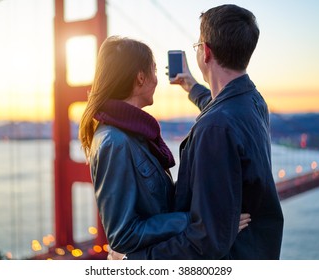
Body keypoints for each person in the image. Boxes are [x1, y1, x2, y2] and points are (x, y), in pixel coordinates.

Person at [111, 4, 284, 260]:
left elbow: (205, 241)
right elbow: (223, 109)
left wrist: (132, 262)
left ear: (205, 52)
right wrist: (191, 86)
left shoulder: (214, 129)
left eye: (198, 45)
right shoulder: (253, 101)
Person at [79, 36, 250, 256]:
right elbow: (123, 235)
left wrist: (210, 200)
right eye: (155, 70)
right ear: (141, 78)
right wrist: (201, 221)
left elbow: (160, 201)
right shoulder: (115, 142)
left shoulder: (135, 132)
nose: (158, 79)